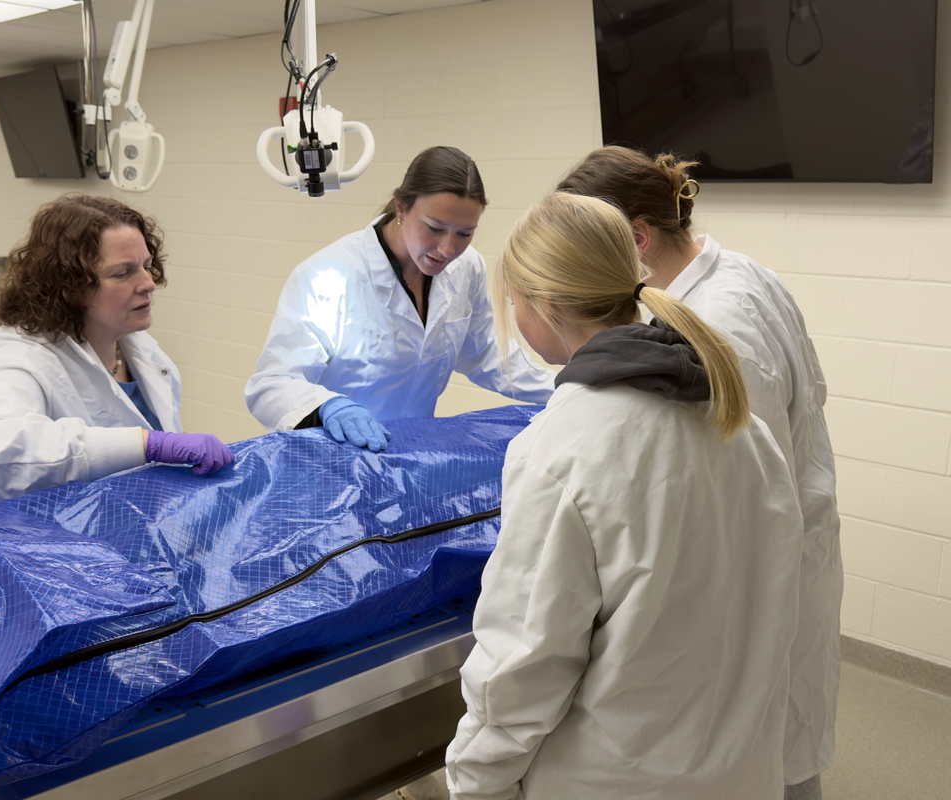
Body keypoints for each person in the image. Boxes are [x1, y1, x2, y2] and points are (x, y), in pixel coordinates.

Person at [445, 192, 804, 799]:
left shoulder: (561, 450)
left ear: (546, 304)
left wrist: (474, 785)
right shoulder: (740, 422)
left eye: (513, 302)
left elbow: (520, 672)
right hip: (742, 773)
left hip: (616, 779)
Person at [556, 146, 840, 800]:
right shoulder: (732, 275)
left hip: (749, 581)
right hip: (780, 566)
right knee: (776, 751)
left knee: (764, 753)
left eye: (593, 246)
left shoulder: (719, 321)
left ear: (635, 237)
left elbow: (732, 483)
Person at [0, 194, 232, 505]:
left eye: (147, 265)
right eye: (122, 273)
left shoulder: (142, 352)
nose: (148, 282)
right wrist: (146, 444)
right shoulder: (13, 356)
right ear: (69, 287)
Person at [245, 146, 556, 451]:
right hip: (336, 461)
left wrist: (564, 387)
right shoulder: (329, 276)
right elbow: (271, 383)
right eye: (435, 228)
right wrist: (329, 406)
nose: (448, 249)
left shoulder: (466, 267)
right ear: (400, 208)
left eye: (464, 233)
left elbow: (486, 354)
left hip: (411, 460)